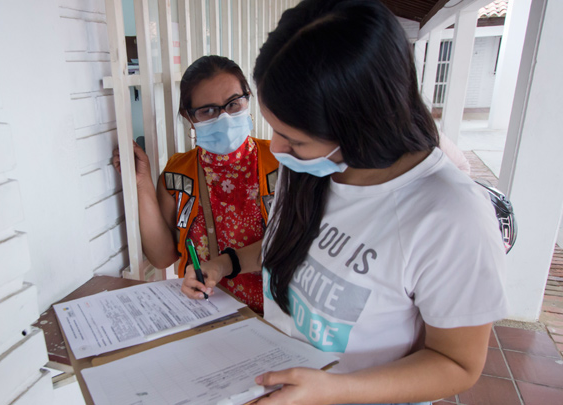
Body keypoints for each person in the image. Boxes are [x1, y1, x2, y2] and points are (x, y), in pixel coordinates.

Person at [181, 1, 508, 404]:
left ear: (360, 124)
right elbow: (293, 247)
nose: (278, 147)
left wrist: (335, 390)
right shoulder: (308, 169)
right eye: (276, 129)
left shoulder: (452, 217)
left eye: (295, 139)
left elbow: (457, 364)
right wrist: (225, 263)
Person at [113, 55, 278, 314]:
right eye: (208, 110)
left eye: (234, 103)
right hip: (206, 314)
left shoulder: (281, 163)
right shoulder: (178, 174)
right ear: (189, 117)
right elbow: (162, 257)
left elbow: (298, 241)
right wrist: (142, 181)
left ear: (248, 98)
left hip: (278, 315)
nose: (224, 117)